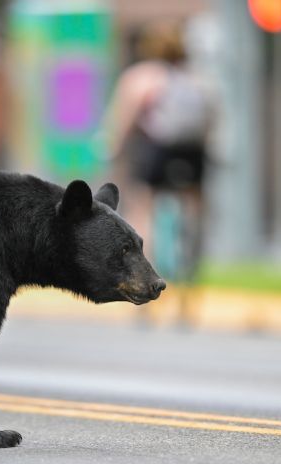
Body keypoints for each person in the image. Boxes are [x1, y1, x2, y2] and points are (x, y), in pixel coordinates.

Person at [107, 20, 213, 283]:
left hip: (158, 151)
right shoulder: (197, 79)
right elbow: (211, 119)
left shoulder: (142, 76)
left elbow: (123, 120)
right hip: (192, 153)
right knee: (194, 209)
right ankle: (191, 270)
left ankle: (143, 274)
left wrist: (112, 148)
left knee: (144, 209)